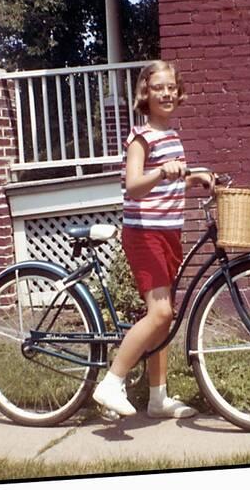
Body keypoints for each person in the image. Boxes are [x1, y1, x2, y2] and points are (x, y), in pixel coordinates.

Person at [93, 60, 215, 418]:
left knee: (163, 317)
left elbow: (169, 180)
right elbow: (133, 184)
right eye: (158, 87)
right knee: (160, 312)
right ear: (145, 94)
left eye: (171, 87)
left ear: (179, 93)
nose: (166, 93)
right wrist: (162, 171)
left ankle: (158, 398)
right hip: (144, 233)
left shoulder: (172, 136)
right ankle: (112, 381)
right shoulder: (140, 137)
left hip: (168, 232)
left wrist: (192, 178)